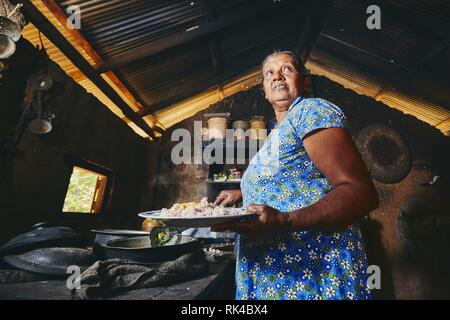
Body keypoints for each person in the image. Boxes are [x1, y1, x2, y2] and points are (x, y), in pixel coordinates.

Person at [213, 50, 379, 300]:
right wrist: (242, 193)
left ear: (305, 81)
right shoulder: (279, 131)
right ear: (264, 90)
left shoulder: (310, 111)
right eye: (270, 73)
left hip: (311, 274)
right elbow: (294, 180)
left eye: (287, 69)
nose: (278, 76)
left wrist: (284, 221)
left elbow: (360, 193)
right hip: (277, 274)